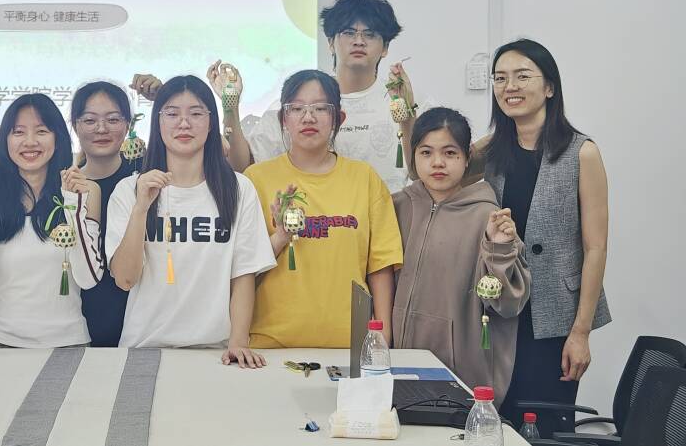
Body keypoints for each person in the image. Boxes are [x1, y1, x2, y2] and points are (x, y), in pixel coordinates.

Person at [130, 0, 418, 190]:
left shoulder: (403, 103)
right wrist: (230, 106)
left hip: (389, 228)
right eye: (348, 33)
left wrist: (408, 117)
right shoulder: (296, 103)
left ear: (386, 47)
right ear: (331, 42)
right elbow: (243, 167)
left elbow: (421, 171)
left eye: (370, 34)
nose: (359, 41)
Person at [474, 40, 611, 433]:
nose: (509, 87)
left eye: (522, 76)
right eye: (500, 78)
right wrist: (405, 115)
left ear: (549, 86)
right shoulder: (491, 150)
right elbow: (433, 166)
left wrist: (581, 332)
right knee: (497, 422)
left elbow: (596, 247)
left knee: (545, 427)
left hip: (555, 320)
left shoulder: (582, 152)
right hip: (502, 310)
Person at [107, 76, 273, 365]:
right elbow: (124, 279)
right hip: (143, 348)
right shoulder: (129, 190)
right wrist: (141, 209)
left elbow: (243, 275)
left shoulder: (238, 189)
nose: (184, 124)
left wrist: (238, 342)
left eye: (196, 114)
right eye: (172, 114)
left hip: (216, 351)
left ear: (211, 123)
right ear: (158, 123)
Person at [245, 69, 404, 348]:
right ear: (283, 119)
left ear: (338, 118)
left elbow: (380, 266)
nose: (308, 117)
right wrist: (280, 237)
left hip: (350, 345)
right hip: (269, 346)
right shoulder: (256, 179)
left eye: (320, 108)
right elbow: (242, 269)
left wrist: (383, 338)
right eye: (297, 108)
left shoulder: (365, 179)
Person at [392, 107, 528, 406]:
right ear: (413, 157)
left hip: (462, 381)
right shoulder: (396, 207)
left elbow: (508, 304)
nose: (437, 163)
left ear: (467, 158)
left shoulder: (489, 217)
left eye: (450, 153)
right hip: (397, 369)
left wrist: (499, 250)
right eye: (426, 152)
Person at [0, 94, 103, 348]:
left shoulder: (85, 192)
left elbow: (89, 278)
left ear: (57, 138)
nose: (29, 142)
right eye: (18, 132)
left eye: (41, 131)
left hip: (68, 344)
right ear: (6, 140)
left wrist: (73, 206)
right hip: (0, 342)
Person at [71, 81, 141, 346]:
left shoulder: (144, 179)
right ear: (75, 126)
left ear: (128, 124)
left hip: (142, 325)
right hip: (76, 331)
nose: (101, 129)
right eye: (90, 120)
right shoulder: (65, 187)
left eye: (113, 119)